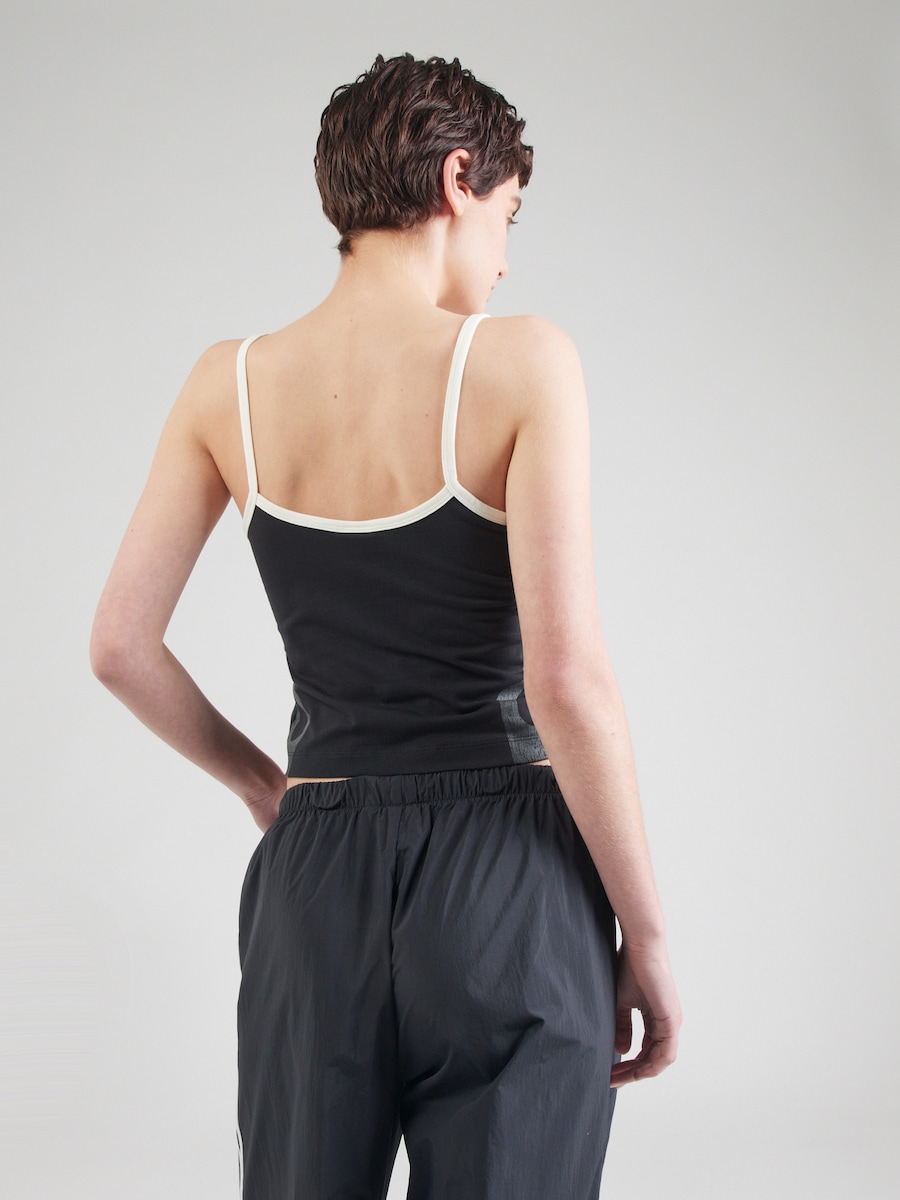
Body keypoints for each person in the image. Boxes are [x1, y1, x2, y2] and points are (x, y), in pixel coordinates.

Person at [90, 51, 681, 1200]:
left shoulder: (227, 384)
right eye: (508, 216)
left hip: (315, 876)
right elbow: (567, 683)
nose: (505, 259)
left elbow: (119, 645)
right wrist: (644, 934)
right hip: (507, 876)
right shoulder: (522, 361)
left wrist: (270, 791)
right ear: (460, 178)